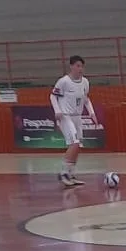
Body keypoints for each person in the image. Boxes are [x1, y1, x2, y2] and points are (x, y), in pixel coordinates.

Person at [50, 55, 97, 188]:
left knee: (78, 146)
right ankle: (63, 173)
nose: (80, 69)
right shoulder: (64, 81)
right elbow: (53, 96)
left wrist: (92, 113)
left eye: (82, 66)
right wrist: (57, 111)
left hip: (77, 116)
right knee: (74, 143)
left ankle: (71, 174)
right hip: (66, 116)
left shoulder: (85, 82)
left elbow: (86, 99)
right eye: (77, 66)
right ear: (71, 66)